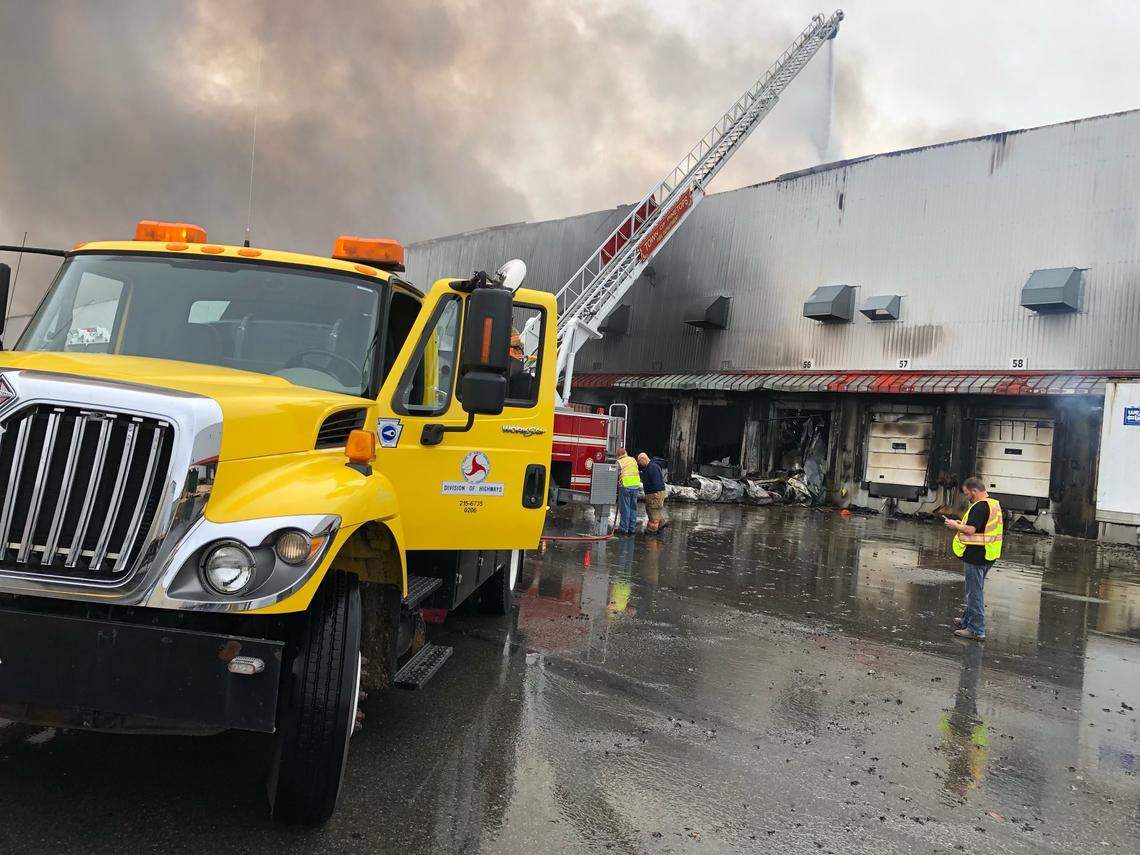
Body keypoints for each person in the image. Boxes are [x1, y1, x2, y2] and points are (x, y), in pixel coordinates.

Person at [943, 476, 1003, 641]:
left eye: (967, 493)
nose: (966, 496)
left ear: (975, 491)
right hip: (989, 554)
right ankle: (967, 620)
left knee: (974, 593)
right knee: (975, 589)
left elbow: (970, 530)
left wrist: (955, 526)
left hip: (976, 556)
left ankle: (976, 630)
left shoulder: (979, 507)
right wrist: (959, 523)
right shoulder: (993, 504)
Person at [637, 452, 668, 532]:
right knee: (653, 510)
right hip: (654, 493)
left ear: (643, 459)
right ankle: (661, 523)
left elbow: (656, 483)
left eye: (639, 461)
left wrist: (654, 495)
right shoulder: (649, 467)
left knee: (653, 511)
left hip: (654, 494)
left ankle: (652, 531)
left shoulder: (652, 467)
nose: (639, 464)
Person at [615, 446, 642, 534]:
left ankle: (624, 528)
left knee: (625, 508)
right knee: (633, 507)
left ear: (618, 455)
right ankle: (632, 528)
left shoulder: (619, 462)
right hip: (636, 486)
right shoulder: (633, 459)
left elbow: (615, 475)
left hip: (626, 486)